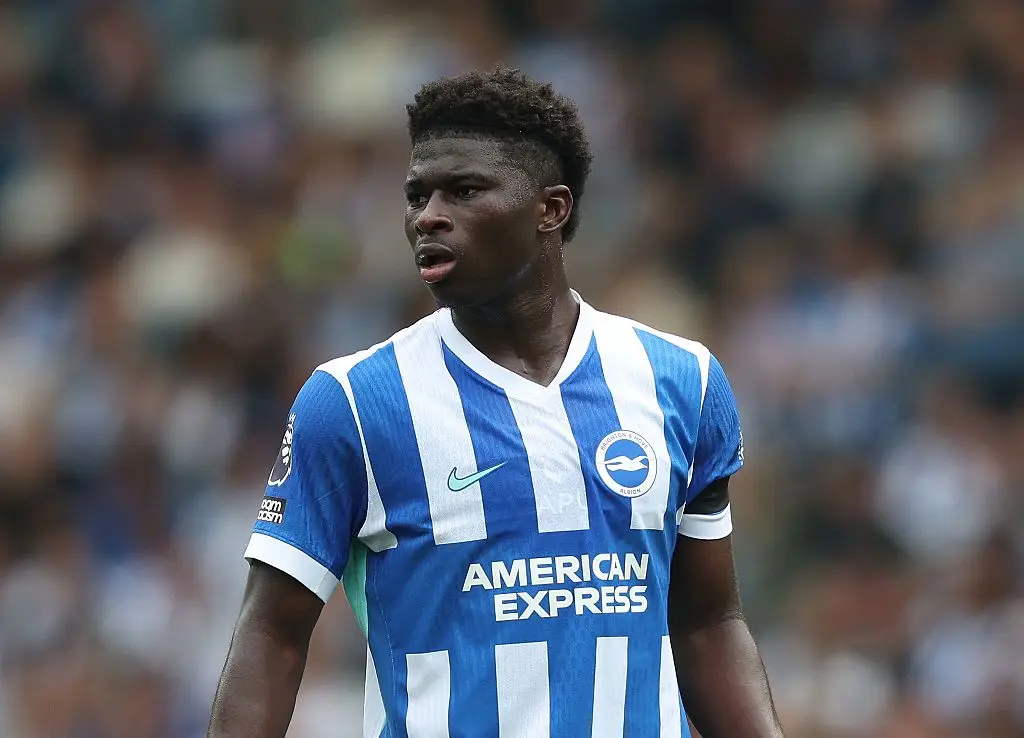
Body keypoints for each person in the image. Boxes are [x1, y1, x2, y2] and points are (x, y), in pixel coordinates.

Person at [207, 66, 784, 738]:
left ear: (550, 209)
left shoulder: (683, 382)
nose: (428, 216)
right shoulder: (355, 402)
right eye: (417, 195)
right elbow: (273, 635)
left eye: (464, 191)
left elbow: (709, 623)